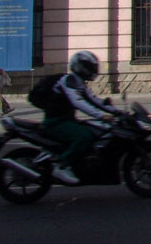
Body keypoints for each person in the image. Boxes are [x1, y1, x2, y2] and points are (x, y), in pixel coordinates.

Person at [40, 51, 118, 186]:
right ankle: (62, 166)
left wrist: (117, 112)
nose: (93, 70)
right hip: (56, 122)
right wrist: (101, 115)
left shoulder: (78, 82)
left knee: (93, 130)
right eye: (90, 66)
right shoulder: (68, 81)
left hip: (66, 120)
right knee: (84, 137)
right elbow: (79, 102)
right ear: (80, 66)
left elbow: (94, 100)